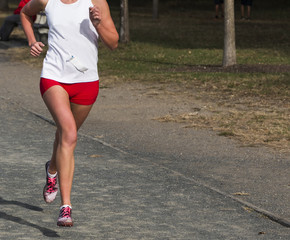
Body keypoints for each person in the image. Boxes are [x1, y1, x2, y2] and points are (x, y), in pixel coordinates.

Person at [20, 0, 119, 227]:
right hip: (54, 76)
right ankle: (66, 207)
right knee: (70, 134)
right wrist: (32, 40)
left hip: (86, 82)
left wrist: (98, 23)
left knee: (65, 135)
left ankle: (52, 169)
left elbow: (113, 43)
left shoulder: (96, 2)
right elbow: (26, 13)